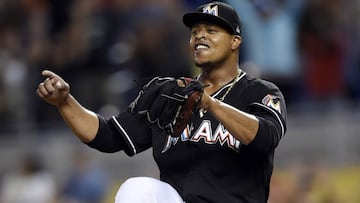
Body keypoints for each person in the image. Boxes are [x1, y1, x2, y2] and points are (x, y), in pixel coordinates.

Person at [36, 1, 287, 202]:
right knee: (137, 188)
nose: (200, 36)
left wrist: (211, 105)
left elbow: (266, 136)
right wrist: (65, 102)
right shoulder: (171, 94)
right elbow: (107, 135)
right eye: (195, 32)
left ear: (235, 41)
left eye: (211, 31)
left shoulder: (259, 92)